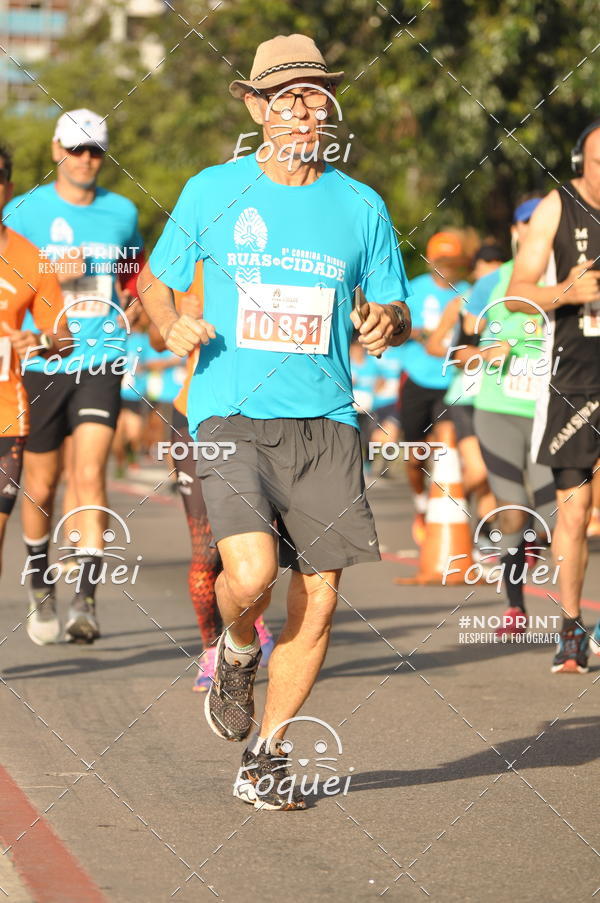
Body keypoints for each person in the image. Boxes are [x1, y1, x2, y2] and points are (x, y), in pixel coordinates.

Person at [138, 34, 411, 809]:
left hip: (325, 417)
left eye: (314, 94)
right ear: (256, 106)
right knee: (252, 575)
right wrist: (170, 328)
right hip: (231, 409)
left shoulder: (362, 206)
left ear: (328, 106)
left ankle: (267, 752)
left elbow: (395, 303)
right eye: (284, 95)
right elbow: (156, 283)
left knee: (320, 594)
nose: (301, 107)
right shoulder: (212, 190)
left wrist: (383, 320)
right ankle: (234, 644)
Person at [4, 109, 144, 644]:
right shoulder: (23, 210)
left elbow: (135, 268)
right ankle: (42, 586)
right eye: (77, 149)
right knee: (40, 485)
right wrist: (43, 274)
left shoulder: (122, 211)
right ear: (56, 150)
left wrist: (135, 302)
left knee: (90, 473)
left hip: (102, 355)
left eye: (96, 151)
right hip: (41, 360)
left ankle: (85, 600)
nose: (87, 160)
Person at [148, 265, 275, 692]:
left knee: (261, 550)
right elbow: (153, 332)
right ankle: (211, 650)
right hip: (196, 419)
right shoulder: (195, 262)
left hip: (266, 421)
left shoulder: (285, 253)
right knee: (206, 552)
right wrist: (174, 321)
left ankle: (250, 625)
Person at [506, 120, 600, 672]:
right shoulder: (555, 208)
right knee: (576, 509)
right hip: (576, 379)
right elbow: (517, 295)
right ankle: (570, 628)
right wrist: (566, 290)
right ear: (579, 162)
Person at [447, 199, 557, 633]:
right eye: (529, 223)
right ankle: (515, 608)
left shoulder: (568, 280)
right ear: (515, 229)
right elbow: (458, 352)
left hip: (550, 412)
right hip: (497, 411)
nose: (537, 230)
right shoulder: (490, 283)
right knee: (512, 513)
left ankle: (532, 555)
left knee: (554, 517)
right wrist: (483, 353)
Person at [0, 144, 69, 640]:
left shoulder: (29, 257)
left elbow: (62, 336)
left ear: (6, 188)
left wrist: (38, 339)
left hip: (6, 415)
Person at [426, 243, 506, 524]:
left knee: (494, 477)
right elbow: (435, 345)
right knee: (480, 471)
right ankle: (438, 506)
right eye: (487, 270)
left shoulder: (512, 300)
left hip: (500, 396)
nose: (493, 278)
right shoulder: (461, 303)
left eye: (499, 271)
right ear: (476, 271)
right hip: (466, 397)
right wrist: (465, 354)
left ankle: (483, 537)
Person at [398, 231, 470, 543]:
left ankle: (453, 519)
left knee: (448, 447)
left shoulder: (469, 292)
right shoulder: (414, 289)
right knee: (415, 456)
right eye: (441, 261)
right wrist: (421, 333)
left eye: (452, 262)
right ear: (430, 261)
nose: (446, 267)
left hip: (452, 382)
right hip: (417, 378)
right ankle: (421, 503)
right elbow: (397, 328)